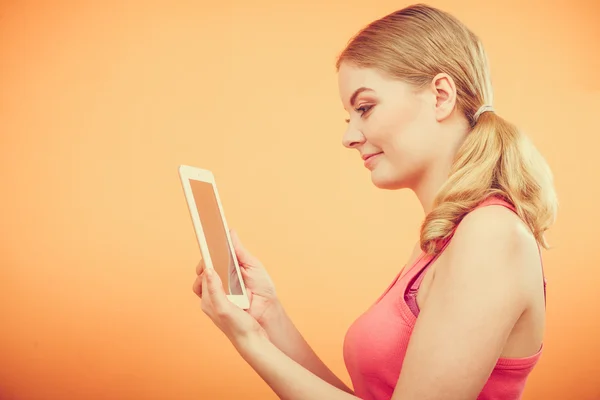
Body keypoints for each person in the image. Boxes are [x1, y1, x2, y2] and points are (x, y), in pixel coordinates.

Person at [192, 3, 558, 399]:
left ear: (440, 96)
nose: (349, 137)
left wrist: (250, 342)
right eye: (349, 116)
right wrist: (267, 316)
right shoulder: (443, 238)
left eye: (365, 108)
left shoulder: (491, 235)